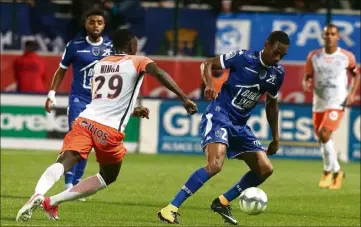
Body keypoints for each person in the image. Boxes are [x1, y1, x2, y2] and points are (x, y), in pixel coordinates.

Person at [16, 28, 198, 222]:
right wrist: (184, 98)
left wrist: (132, 110)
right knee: (107, 176)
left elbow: (102, 99)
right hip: (108, 130)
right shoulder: (139, 61)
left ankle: (39, 193)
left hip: (85, 121)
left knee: (65, 160)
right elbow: (159, 73)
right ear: (132, 46)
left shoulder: (100, 64)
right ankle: (52, 201)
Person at [158, 31, 290, 225]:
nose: (277, 58)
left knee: (264, 169)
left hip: (240, 125)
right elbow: (208, 64)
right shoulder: (243, 57)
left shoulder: (277, 73)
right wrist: (210, 83)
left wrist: (276, 137)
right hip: (220, 115)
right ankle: (170, 209)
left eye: (282, 55)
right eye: (276, 52)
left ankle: (222, 202)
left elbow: (271, 105)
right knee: (215, 165)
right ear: (267, 44)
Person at [45, 8, 113, 193]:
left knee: (89, 144)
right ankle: (68, 185)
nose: (95, 26)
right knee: (75, 141)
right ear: (85, 24)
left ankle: (76, 183)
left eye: (99, 22)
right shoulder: (74, 45)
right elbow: (61, 70)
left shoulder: (111, 47)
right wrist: (51, 94)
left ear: (104, 25)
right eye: (92, 22)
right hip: (78, 99)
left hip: (100, 104)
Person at [303, 24, 360, 190]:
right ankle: (335, 170)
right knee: (322, 138)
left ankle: (329, 170)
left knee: (324, 132)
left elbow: (356, 75)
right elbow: (308, 74)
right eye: (327, 33)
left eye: (332, 34)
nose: (329, 36)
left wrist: (351, 94)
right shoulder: (314, 56)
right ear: (322, 36)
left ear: (338, 37)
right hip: (319, 102)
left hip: (338, 101)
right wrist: (306, 81)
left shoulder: (346, 56)